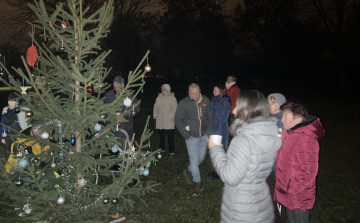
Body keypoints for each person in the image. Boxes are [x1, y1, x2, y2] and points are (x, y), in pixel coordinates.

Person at [208, 90, 282, 222]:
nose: (234, 111)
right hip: (261, 204)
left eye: (238, 106)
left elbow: (231, 177)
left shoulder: (244, 140)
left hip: (241, 211)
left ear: (247, 111)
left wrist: (215, 149)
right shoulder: (270, 134)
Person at [275, 102, 325, 223]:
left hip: (298, 198)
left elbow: (309, 172)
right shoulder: (292, 133)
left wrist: (291, 190)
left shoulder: (305, 138)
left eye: (285, 116)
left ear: (297, 118)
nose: (282, 119)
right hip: (290, 195)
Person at [175, 83, 214, 196]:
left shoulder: (205, 100)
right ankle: (197, 183)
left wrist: (209, 132)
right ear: (189, 92)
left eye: (198, 93)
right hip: (191, 137)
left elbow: (211, 116)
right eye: (193, 94)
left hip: (203, 136)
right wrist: (186, 135)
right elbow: (178, 120)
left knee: (200, 159)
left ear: (200, 91)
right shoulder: (183, 103)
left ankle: (188, 170)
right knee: (194, 160)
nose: (196, 96)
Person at [266, 93, 287, 222]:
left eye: (271, 102)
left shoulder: (284, 121)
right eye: (268, 101)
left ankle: (279, 219)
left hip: (277, 167)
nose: (268, 104)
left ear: (280, 104)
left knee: (278, 197)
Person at [104, 75, 140, 150]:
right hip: (111, 128)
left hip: (125, 128)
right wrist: (110, 115)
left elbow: (136, 108)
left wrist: (126, 114)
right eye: (114, 83)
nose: (115, 85)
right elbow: (103, 108)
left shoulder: (129, 95)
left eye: (118, 83)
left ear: (122, 84)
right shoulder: (108, 95)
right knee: (112, 151)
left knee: (124, 150)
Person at [208, 84, 231, 180]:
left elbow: (223, 117)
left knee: (220, 151)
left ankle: (220, 172)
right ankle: (216, 169)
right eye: (213, 90)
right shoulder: (213, 100)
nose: (213, 92)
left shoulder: (225, 101)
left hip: (221, 129)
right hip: (213, 128)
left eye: (215, 90)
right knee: (214, 150)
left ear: (221, 91)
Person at [153, 84, 177, 155]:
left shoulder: (172, 98)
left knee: (170, 136)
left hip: (169, 121)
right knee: (161, 135)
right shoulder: (158, 98)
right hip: (160, 120)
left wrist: (170, 116)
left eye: (164, 89)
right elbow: (155, 107)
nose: (162, 90)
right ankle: (162, 148)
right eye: (162, 89)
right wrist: (155, 115)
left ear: (168, 90)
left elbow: (174, 107)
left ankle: (171, 150)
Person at [1, 93, 22, 159]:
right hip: (8, 135)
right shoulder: (6, 111)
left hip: (17, 135)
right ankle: (11, 164)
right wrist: (2, 137)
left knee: (17, 150)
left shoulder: (18, 110)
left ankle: (18, 164)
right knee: (9, 150)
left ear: (17, 102)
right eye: (9, 101)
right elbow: (2, 124)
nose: (10, 103)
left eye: (13, 101)